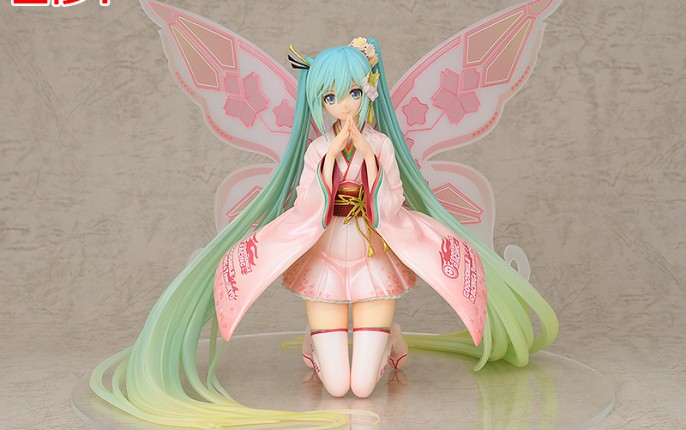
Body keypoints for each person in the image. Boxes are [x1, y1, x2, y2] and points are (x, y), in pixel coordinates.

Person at [90, 37, 558, 429]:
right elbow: (306, 208)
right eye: (331, 98)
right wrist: (331, 156)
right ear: (320, 102)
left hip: (372, 261)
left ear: (368, 91)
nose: (343, 106)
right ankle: (314, 342)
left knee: (363, 388)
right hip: (326, 262)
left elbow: (393, 203)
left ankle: (391, 336)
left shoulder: (381, 145)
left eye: (352, 93)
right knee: (337, 388)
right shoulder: (317, 150)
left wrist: (368, 158)